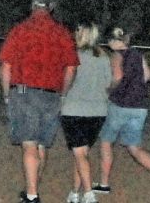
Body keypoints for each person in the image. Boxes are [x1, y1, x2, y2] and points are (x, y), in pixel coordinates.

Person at [0, 0, 79, 203]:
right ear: (51, 9)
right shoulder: (62, 32)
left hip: (24, 93)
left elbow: (6, 66)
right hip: (51, 95)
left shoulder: (20, 30)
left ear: (33, 7)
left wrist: (7, 94)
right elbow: (71, 68)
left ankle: (32, 196)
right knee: (42, 145)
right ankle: (31, 191)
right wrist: (63, 92)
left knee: (29, 144)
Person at [95, 26, 150, 197]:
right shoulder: (137, 54)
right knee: (134, 147)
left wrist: (108, 89)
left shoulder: (115, 55)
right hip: (139, 107)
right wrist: (134, 86)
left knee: (106, 142)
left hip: (120, 105)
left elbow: (117, 77)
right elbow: (147, 75)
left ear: (113, 41)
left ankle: (104, 184)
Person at [57, 23, 109, 203]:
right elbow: (108, 83)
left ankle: (88, 194)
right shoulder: (103, 56)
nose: (74, 33)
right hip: (98, 112)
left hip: (74, 110)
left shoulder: (73, 54)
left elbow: (65, 78)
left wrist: (62, 96)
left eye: (77, 31)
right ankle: (74, 192)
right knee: (81, 155)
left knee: (79, 154)